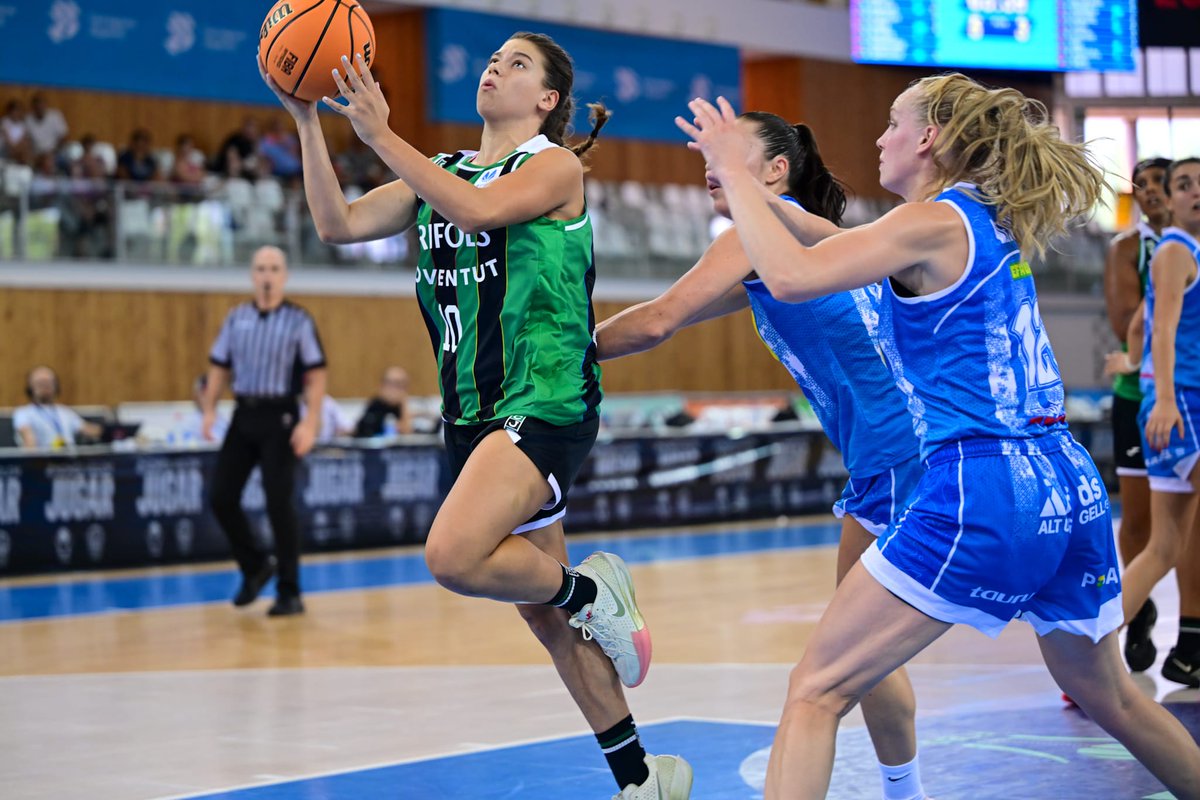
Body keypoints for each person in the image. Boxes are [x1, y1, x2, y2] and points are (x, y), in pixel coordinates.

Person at [676, 79, 1200, 799]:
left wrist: (735, 175)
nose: (880, 137)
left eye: (893, 123)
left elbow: (792, 278)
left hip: (985, 483)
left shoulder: (926, 221)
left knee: (816, 690)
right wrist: (769, 202)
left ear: (928, 139)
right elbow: (833, 241)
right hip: (1068, 482)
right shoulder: (980, 217)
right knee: (1112, 696)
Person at [261, 32, 691, 799]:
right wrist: (305, 120)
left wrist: (380, 134)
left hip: (544, 398)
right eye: (492, 57)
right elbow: (337, 225)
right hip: (470, 413)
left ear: (548, 100)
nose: (495, 65)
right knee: (542, 618)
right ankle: (642, 778)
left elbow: (482, 211)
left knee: (452, 556)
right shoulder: (444, 170)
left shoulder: (554, 167)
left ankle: (591, 593)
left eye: (517, 63)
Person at [595, 111, 929, 800]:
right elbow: (675, 314)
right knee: (868, 656)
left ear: (776, 171)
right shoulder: (788, 243)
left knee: (835, 667)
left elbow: (658, 320)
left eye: (726, 152)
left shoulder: (760, 233)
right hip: (891, 460)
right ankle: (907, 792)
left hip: (899, 457)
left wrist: (550, 354)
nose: (708, 165)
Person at [200, 245, 327, 617]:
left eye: (273, 268)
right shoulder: (236, 317)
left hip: (281, 417)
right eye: (260, 268)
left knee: (278, 503)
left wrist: (310, 421)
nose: (267, 276)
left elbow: (316, 374)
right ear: (252, 275)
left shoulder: (299, 320)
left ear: (284, 276)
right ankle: (255, 565)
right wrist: (209, 410)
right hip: (244, 414)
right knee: (221, 496)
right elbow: (219, 366)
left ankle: (290, 590)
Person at [1114, 157, 1200, 688]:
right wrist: (1164, 398)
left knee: (1164, 547)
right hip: (1183, 406)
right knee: (1157, 541)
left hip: (1178, 402)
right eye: (1185, 185)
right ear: (1169, 200)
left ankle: (1086, 651)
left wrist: (1130, 360)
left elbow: (1142, 326)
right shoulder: (1174, 251)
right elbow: (1160, 329)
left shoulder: (1185, 252)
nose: (1196, 192)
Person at [1102, 157, 1172, 672]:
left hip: (1185, 392)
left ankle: (1190, 629)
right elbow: (1127, 322)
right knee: (1141, 517)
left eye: (1160, 183)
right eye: (1139, 184)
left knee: (1183, 521)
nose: (1149, 191)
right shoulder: (1130, 248)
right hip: (1139, 393)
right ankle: (1138, 604)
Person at [14, 365, 102, 449]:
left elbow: (88, 430)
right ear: (30, 387)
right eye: (40, 383)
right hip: (43, 457)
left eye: (48, 383)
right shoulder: (23, 413)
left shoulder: (65, 412)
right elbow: (29, 440)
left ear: (56, 386)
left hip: (70, 456)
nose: (45, 387)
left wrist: (106, 430)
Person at [166, 373, 229, 445]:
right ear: (195, 396)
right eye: (203, 392)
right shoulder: (185, 424)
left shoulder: (225, 423)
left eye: (210, 392)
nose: (207, 397)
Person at [354, 366, 413, 437]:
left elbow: (407, 433)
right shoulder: (375, 407)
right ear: (382, 385)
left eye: (400, 385)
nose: (394, 390)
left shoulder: (402, 406)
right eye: (391, 384)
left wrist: (404, 403)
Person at [25, 93, 68, 158]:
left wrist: (53, 152)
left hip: (55, 152)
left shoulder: (55, 116)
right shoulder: (28, 120)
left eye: (41, 105)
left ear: (45, 105)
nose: (39, 108)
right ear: (33, 107)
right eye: (37, 107)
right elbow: (27, 140)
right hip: (37, 154)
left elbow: (64, 137)